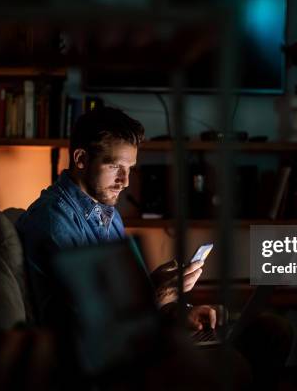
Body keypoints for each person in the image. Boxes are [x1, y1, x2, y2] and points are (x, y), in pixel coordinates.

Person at [16, 104, 217, 330]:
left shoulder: (106, 212)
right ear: (81, 159)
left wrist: (176, 312)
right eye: (114, 166)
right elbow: (87, 327)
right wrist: (155, 294)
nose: (125, 181)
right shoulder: (54, 222)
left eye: (129, 168)